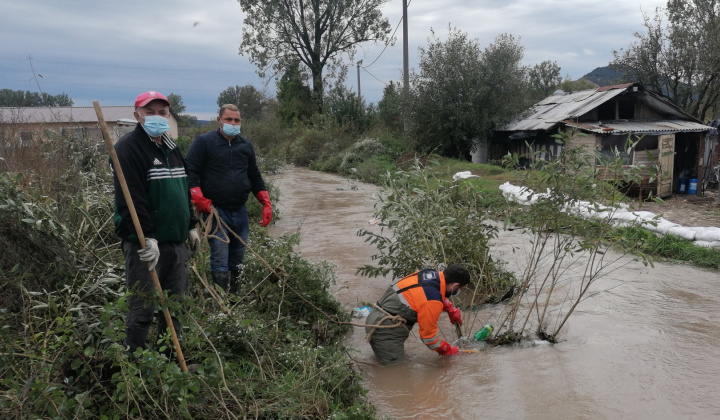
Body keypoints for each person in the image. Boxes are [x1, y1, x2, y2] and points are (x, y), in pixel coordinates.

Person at [112, 90, 200, 354]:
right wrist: (147, 237)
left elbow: (182, 189)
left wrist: (191, 225)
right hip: (146, 246)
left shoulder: (172, 147)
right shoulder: (127, 149)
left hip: (176, 242)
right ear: (137, 114)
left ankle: (170, 359)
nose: (157, 117)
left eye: (162, 112)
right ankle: (135, 364)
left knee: (174, 307)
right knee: (142, 308)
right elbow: (131, 199)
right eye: (150, 112)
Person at [185, 104, 272, 292]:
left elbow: (254, 175)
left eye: (236, 120)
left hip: (240, 210)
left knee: (238, 257)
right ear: (219, 120)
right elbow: (190, 171)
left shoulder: (245, 145)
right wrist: (198, 198)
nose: (233, 123)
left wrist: (266, 202)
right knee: (220, 258)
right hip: (216, 211)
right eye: (229, 119)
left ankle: (235, 298)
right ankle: (221, 304)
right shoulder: (204, 142)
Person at [365, 264, 469, 364]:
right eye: (459, 289)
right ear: (455, 285)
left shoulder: (429, 273)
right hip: (385, 330)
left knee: (383, 365)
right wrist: (448, 350)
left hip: (375, 317)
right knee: (397, 370)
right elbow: (429, 339)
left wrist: (450, 309)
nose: (458, 291)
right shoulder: (432, 300)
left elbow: (429, 291)